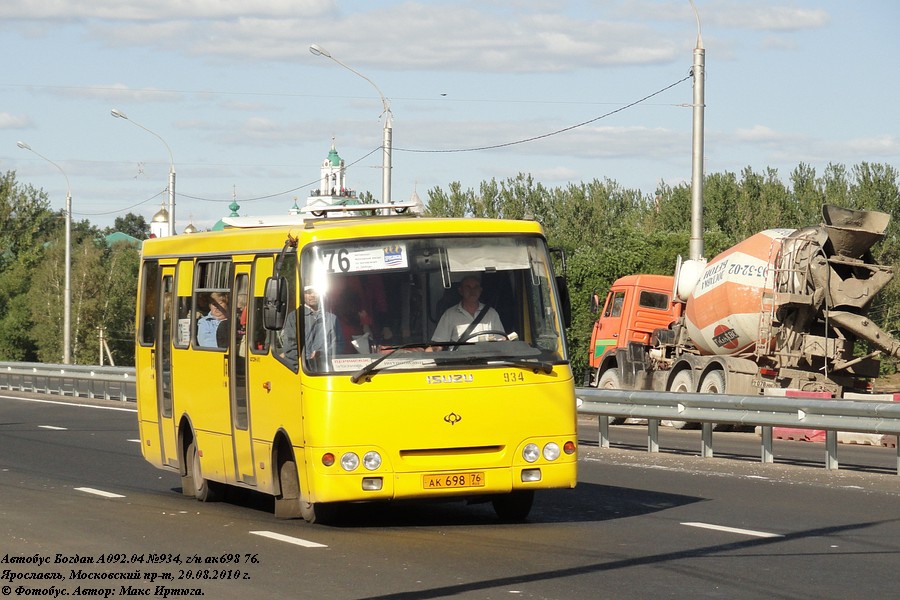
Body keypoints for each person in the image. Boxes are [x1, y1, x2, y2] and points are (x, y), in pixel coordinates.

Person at [431, 275, 504, 344]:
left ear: (480, 290)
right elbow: (439, 342)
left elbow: (501, 341)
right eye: (468, 287)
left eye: (476, 287)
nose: (472, 291)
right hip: (459, 357)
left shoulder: (491, 313)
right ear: (461, 291)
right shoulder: (449, 315)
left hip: (487, 356)